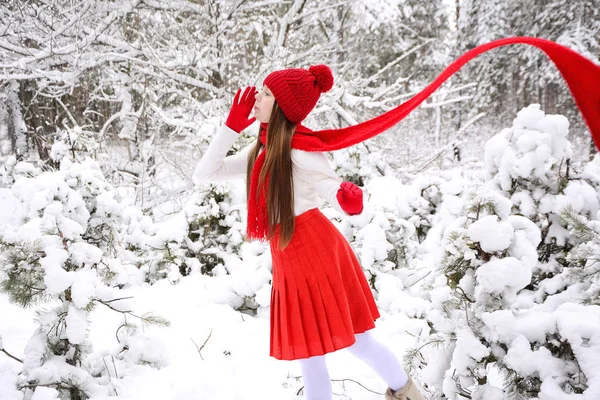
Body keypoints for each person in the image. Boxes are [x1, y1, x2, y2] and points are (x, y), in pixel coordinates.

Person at [193, 65, 424, 400]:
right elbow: (206, 172)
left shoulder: (298, 150)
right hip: (288, 256)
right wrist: (230, 128)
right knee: (309, 353)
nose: (257, 97)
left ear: (284, 106)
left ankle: (409, 394)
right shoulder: (260, 150)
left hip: (316, 250)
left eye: (267, 94)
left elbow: (329, 186)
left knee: (358, 342)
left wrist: (346, 197)